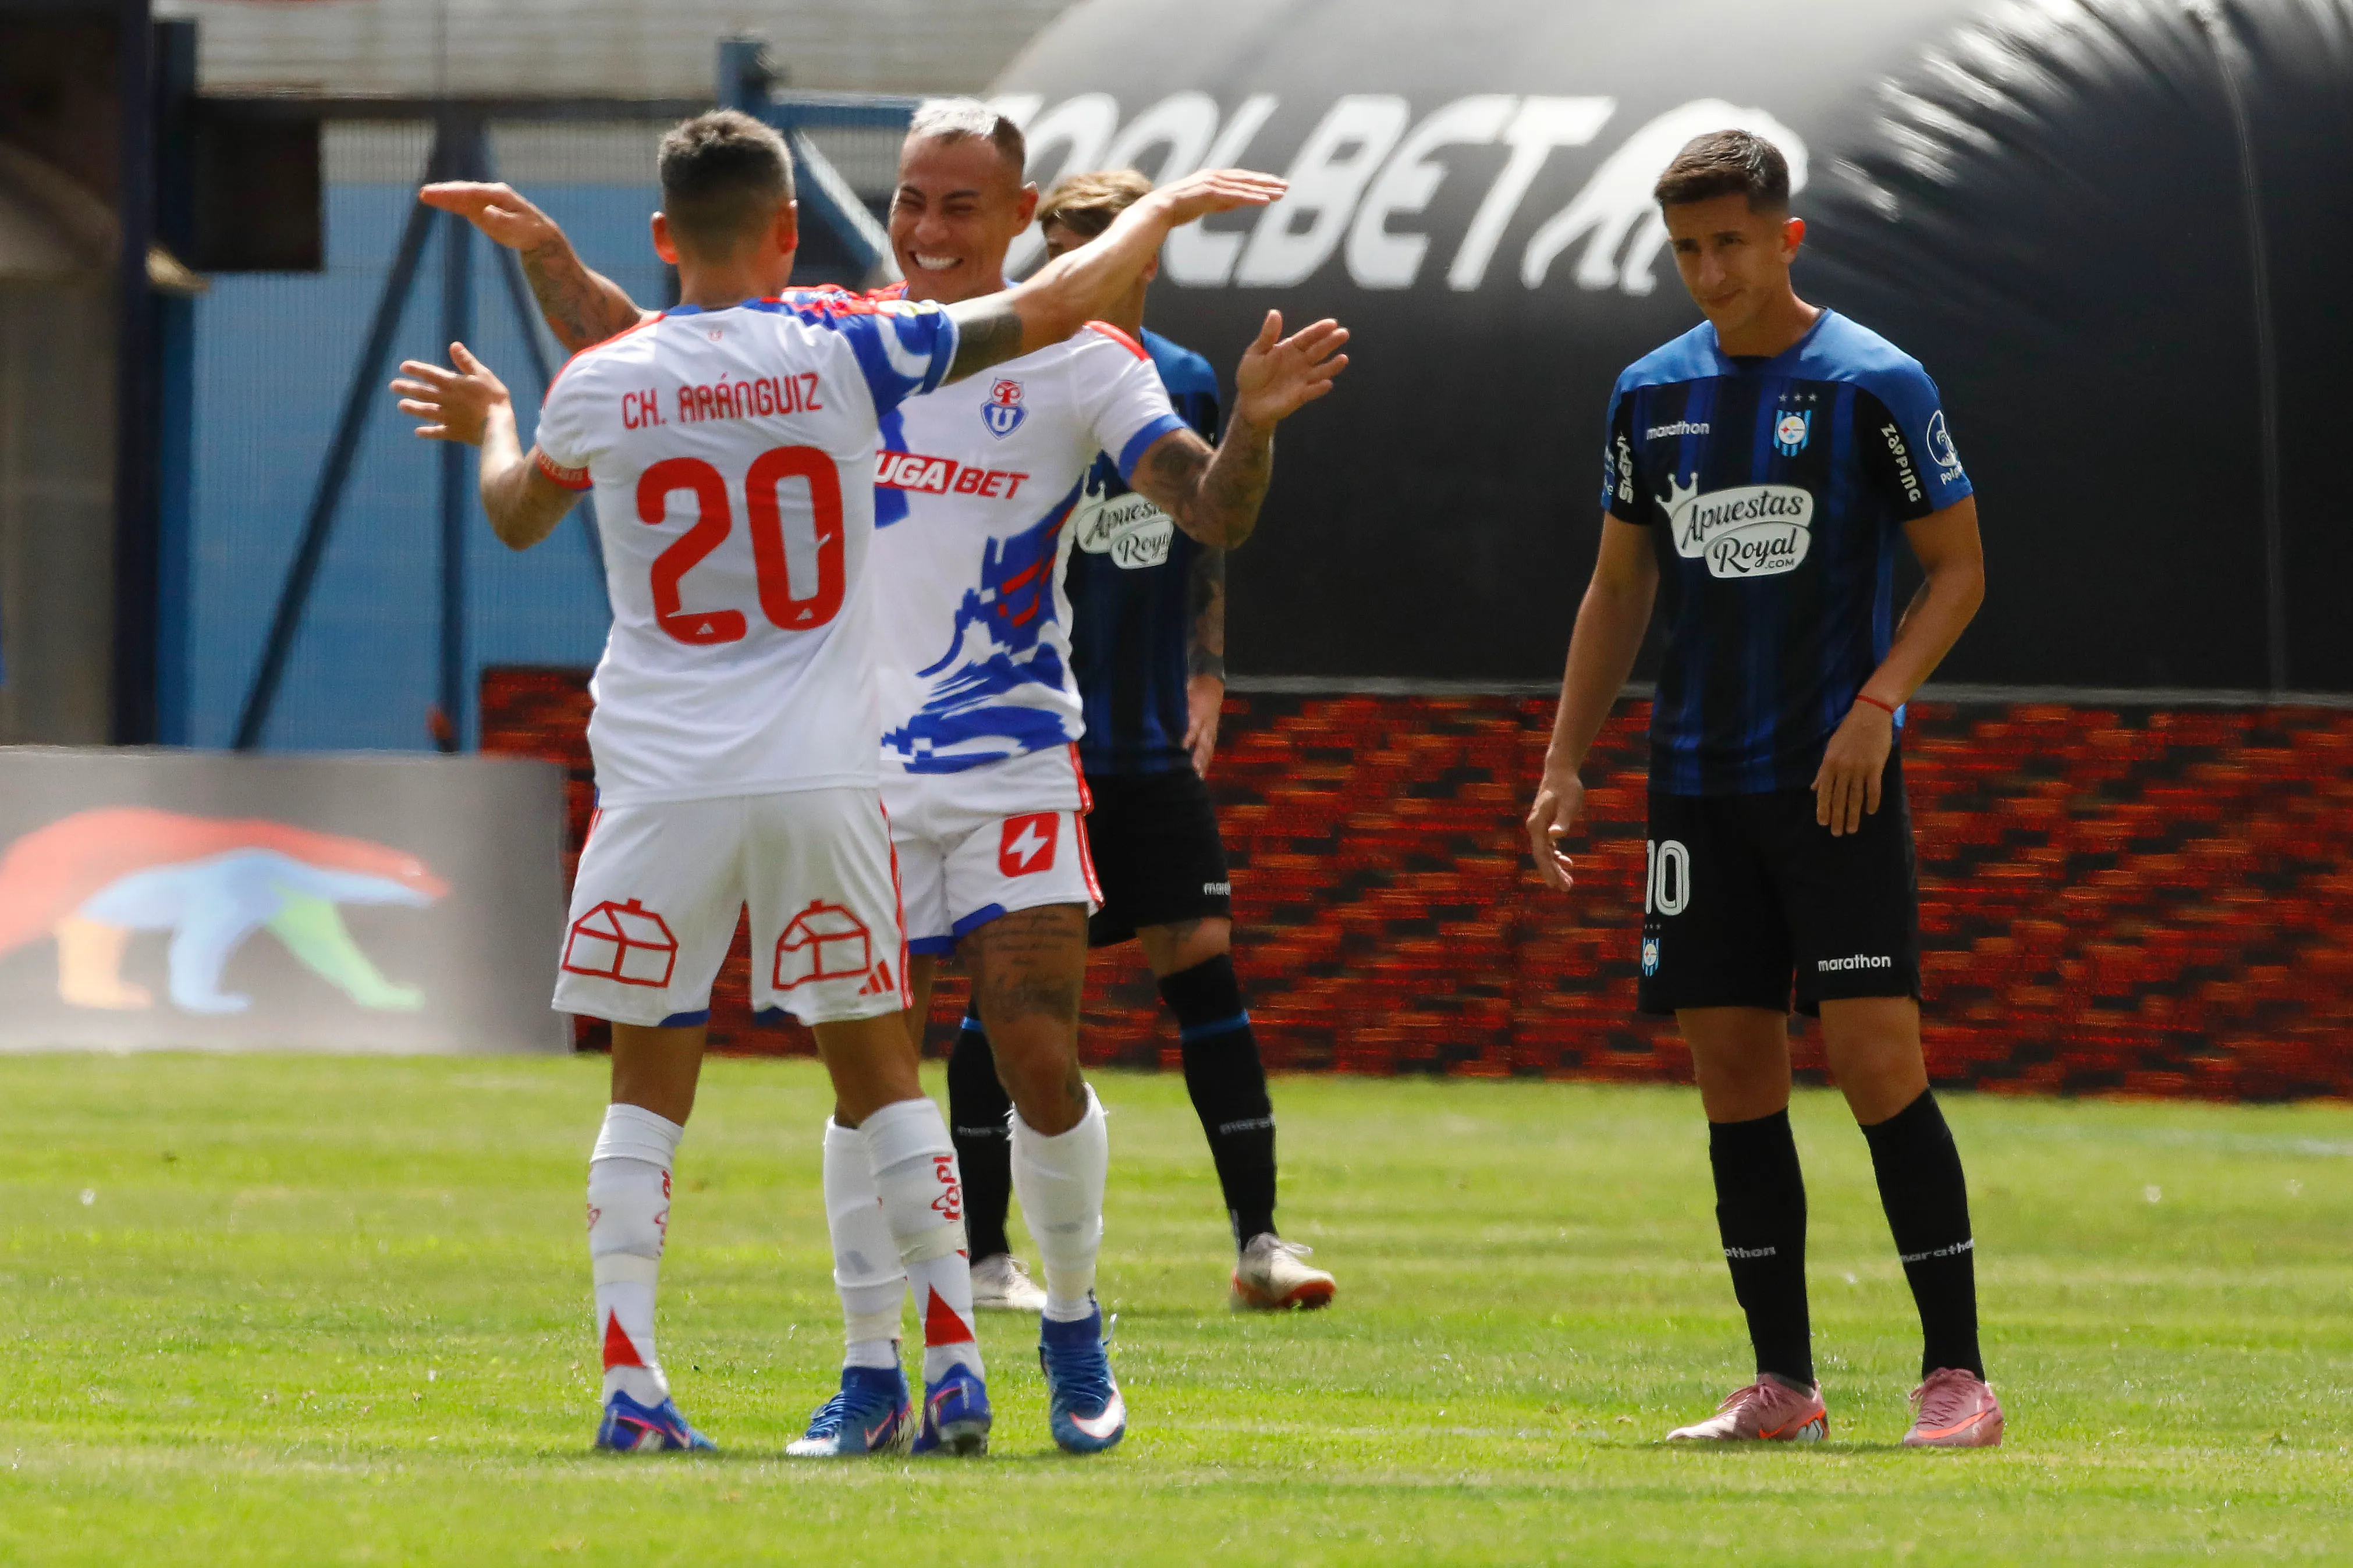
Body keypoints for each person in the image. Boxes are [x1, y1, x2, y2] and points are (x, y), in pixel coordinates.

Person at [420, 99, 1345, 1456]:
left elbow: (1209, 508)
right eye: (910, 198)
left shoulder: (1085, 362)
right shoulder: (848, 333)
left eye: (960, 204)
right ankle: (873, 1369)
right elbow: (659, 348)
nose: (924, 227)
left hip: (1011, 751)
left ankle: (1075, 1331)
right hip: (850, 765)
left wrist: (1254, 424)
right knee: (869, 1081)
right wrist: (553, 258)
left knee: (1034, 1051)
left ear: (1021, 217)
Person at [1523, 130, 2000, 1448]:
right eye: (1684, 248)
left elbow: (1956, 572)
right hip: (1694, 790)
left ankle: (1955, 1379)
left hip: (1833, 785)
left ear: (1784, 237)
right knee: (1731, 1076)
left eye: (1728, 242)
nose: (1706, 269)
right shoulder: (1647, 395)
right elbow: (1618, 587)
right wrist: (1565, 762)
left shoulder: (1870, 383)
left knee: (1872, 1062)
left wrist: (1873, 708)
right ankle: (1779, 1385)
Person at [946, 169, 1335, 1317]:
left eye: (1100, 241)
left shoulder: (1183, 382)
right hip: (1026, 740)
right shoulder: (999, 371)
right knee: (1005, 1001)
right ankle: (981, 1256)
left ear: (1142, 256)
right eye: (1063, 239)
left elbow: (1205, 525)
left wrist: (1207, 667)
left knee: (1200, 957)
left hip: (1141, 743)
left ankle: (1259, 1243)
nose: (1079, 257)